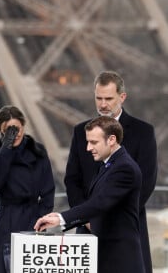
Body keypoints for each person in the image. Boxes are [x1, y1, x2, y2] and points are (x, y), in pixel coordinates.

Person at [64, 71, 157, 272]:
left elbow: (147, 182)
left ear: (122, 97)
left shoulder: (143, 132)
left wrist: (107, 219)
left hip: (125, 228)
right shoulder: (81, 132)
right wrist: (86, 218)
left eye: (108, 98)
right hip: (87, 227)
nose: (103, 104)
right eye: (99, 98)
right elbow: (72, 179)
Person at [35, 116, 145, 273]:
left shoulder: (124, 168)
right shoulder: (109, 165)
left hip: (120, 260)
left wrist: (61, 218)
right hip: (109, 256)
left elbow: (99, 204)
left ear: (112, 139)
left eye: (94, 142)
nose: (88, 148)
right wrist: (64, 221)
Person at [0, 105, 55, 273]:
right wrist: (6, 148)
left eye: (17, 128)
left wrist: (39, 221)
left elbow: (48, 191)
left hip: (33, 217)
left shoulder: (38, 152)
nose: (14, 133)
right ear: (0, 130)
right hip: (6, 218)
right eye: (8, 130)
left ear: (23, 126)